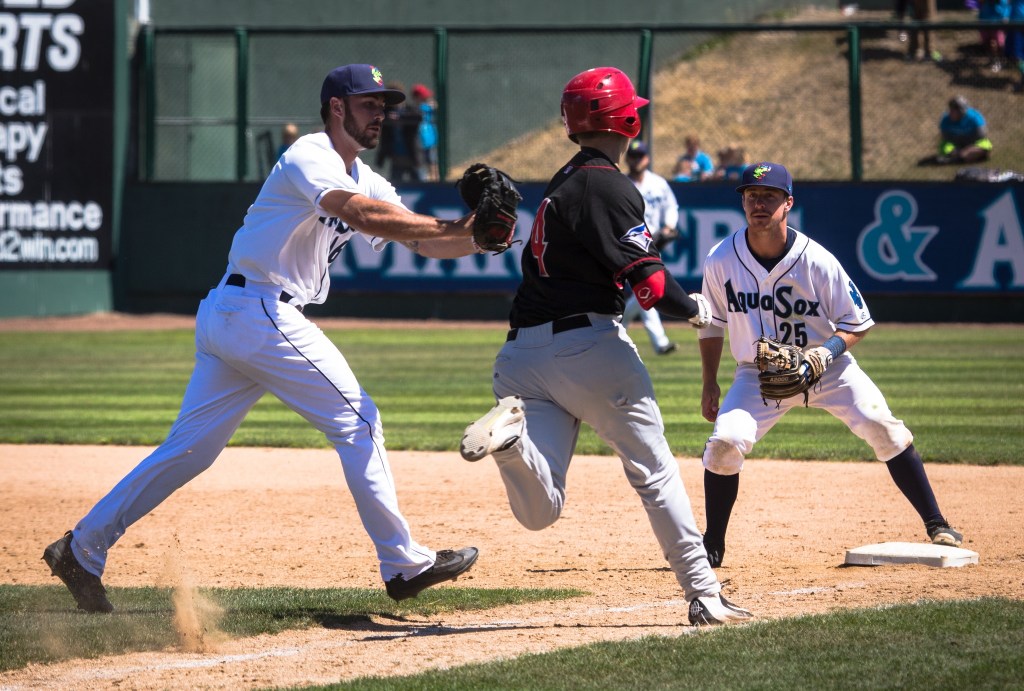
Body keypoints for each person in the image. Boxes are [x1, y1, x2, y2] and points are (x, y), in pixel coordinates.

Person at [42, 64, 482, 613]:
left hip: (235, 313)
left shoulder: (367, 175)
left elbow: (422, 241)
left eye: (384, 105)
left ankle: (80, 549)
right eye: (369, 103)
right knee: (360, 420)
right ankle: (403, 564)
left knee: (189, 451)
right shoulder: (311, 155)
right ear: (337, 108)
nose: (381, 114)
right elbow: (366, 216)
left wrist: (479, 233)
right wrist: (461, 227)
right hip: (260, 310)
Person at [458, 66, 752, 627]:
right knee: (655, 473)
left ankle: (511, 443)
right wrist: (699, 312)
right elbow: (653, 285)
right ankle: (705, 595)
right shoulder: (610, 185)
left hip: (521, 357)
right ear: (628, 119)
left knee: (541, 511)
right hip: (588, 347)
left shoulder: (563, 181)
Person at [695, 161, 964, 569]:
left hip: (827, 367)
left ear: (788, 203)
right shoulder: (721, 258)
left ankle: (937, 522)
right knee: (724, 444)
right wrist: (709, 382)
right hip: (757, 374)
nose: (758, 204)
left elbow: (857, 322)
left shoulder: (816, 260)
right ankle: (712, 544)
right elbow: (712, 323)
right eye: (751, 196)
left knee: (883, 427)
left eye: (769, 196)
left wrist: (827, 352)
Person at [622, 139, 681, 355]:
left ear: (647, 158)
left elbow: (671, 207)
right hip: (628, 244)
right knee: (647, 290)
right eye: (633, 156)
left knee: (645, 290)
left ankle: (654, 339)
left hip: (653, 243)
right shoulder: (620, 183)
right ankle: (657, 341)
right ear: (627, 158)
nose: (637, 160)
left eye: (640, 156)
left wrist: (668, 227)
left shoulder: (658, 183)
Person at [375, 81, 424, 182]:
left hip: (411, 155)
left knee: (420, 181)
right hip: (396, 158)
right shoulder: (386, 111)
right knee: (395, 184)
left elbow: (418, 117)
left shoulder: (410, 109)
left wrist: (400, 117)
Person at [936, 95, 993, 164]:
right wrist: (955, 149)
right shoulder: (945, 119)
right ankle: (963, 157)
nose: (951, 112)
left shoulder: (975, 117)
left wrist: (969, 148)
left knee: (986, 145)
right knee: (944, 146)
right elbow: (945, 138)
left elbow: (981, 136)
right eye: (951, 109)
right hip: (956, 145)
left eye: (955, 110)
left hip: (972, 144)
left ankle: (957, 158)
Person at [411, 84, 439, 181]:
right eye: (423, 96)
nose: (425, 98)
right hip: (419, 143)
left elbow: (435, 105)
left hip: (429, 141)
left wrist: (432, 104)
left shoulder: (427, 107)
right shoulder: (412, 109)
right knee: (421, 166)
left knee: (432, 163)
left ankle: (435, 183)